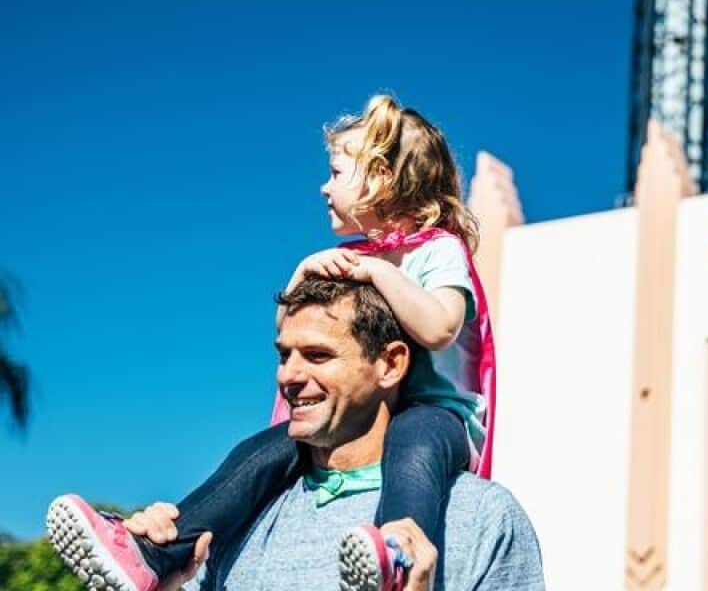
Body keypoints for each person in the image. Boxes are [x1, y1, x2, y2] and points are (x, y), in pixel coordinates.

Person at [47, 94, 494, 591]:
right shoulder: (352, 256)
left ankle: (401, 555)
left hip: (440, 417)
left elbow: (438, 329)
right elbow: (290, 327)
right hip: (381, 411)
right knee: (261, 451)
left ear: (381, 178)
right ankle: (159, 553)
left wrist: (375, 273)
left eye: (336, 172)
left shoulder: (439, 252)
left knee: (413, 444)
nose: (324, 188)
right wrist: (303, 270)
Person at [129, 275, 542, 590]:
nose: (288, 376)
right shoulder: (244, 517)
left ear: (390, 365)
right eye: (284, 355)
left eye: (317, 355)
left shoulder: (484, 517)